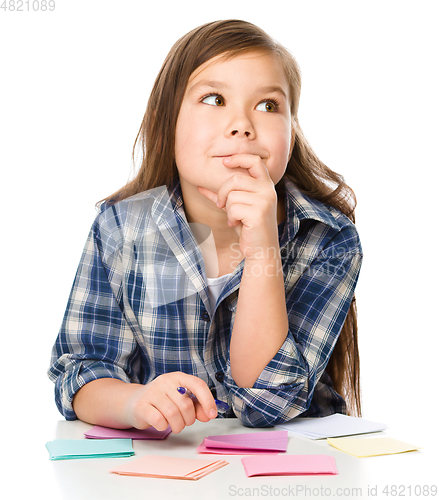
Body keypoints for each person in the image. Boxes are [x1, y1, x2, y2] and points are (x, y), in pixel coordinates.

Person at [48, 19, 363, 433]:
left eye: (268, 106)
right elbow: (81, 372)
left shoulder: (328, 238)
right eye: (214, 99)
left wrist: (262, 244)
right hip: (166, 472)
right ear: (168, 119)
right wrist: (134, 401)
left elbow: (265, 402)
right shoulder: (122, 229)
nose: (242, 125)